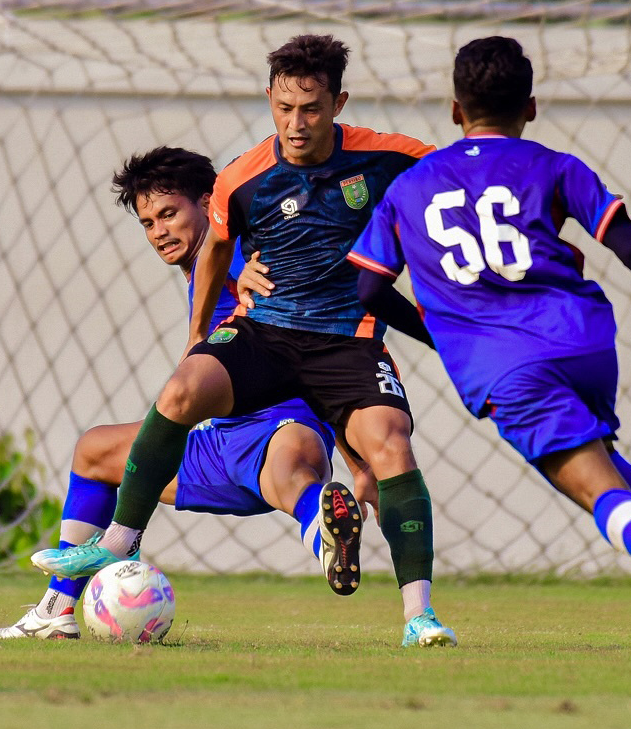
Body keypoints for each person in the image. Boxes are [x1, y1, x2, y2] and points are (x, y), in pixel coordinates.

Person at [32, 36, 457, 647]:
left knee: (340, 456)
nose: (296, 122)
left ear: (337, 103)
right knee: (115, 437)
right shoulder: (242, 186)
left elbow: (245, 269)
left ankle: (411, 608)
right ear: (269, 101)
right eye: (284, 108)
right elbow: (218, 259)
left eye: (170, 216)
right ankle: (63, 600)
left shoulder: (377, 164)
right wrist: (199, 334)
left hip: (294, 409)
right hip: (221, 433)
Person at [345, 36, 631, 645]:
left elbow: (367, 292)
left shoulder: (410, 188)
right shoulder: (555, 166)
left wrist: (440, 333)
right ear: (532, 107)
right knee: (604, 460)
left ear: (455, 110)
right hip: (584, 342)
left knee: (593, 486)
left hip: (506, 367)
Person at [0, 147, 362, 639]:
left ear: (209, 202)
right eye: (148, 223)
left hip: (281, 423)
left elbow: (253, 265)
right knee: (95, 451)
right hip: (219, 444)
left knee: (288, 465)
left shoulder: (230, 247)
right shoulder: (201, 274)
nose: (159, 231)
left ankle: (324, 531)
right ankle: (56, 611)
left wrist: (358, 457)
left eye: (169, 214)